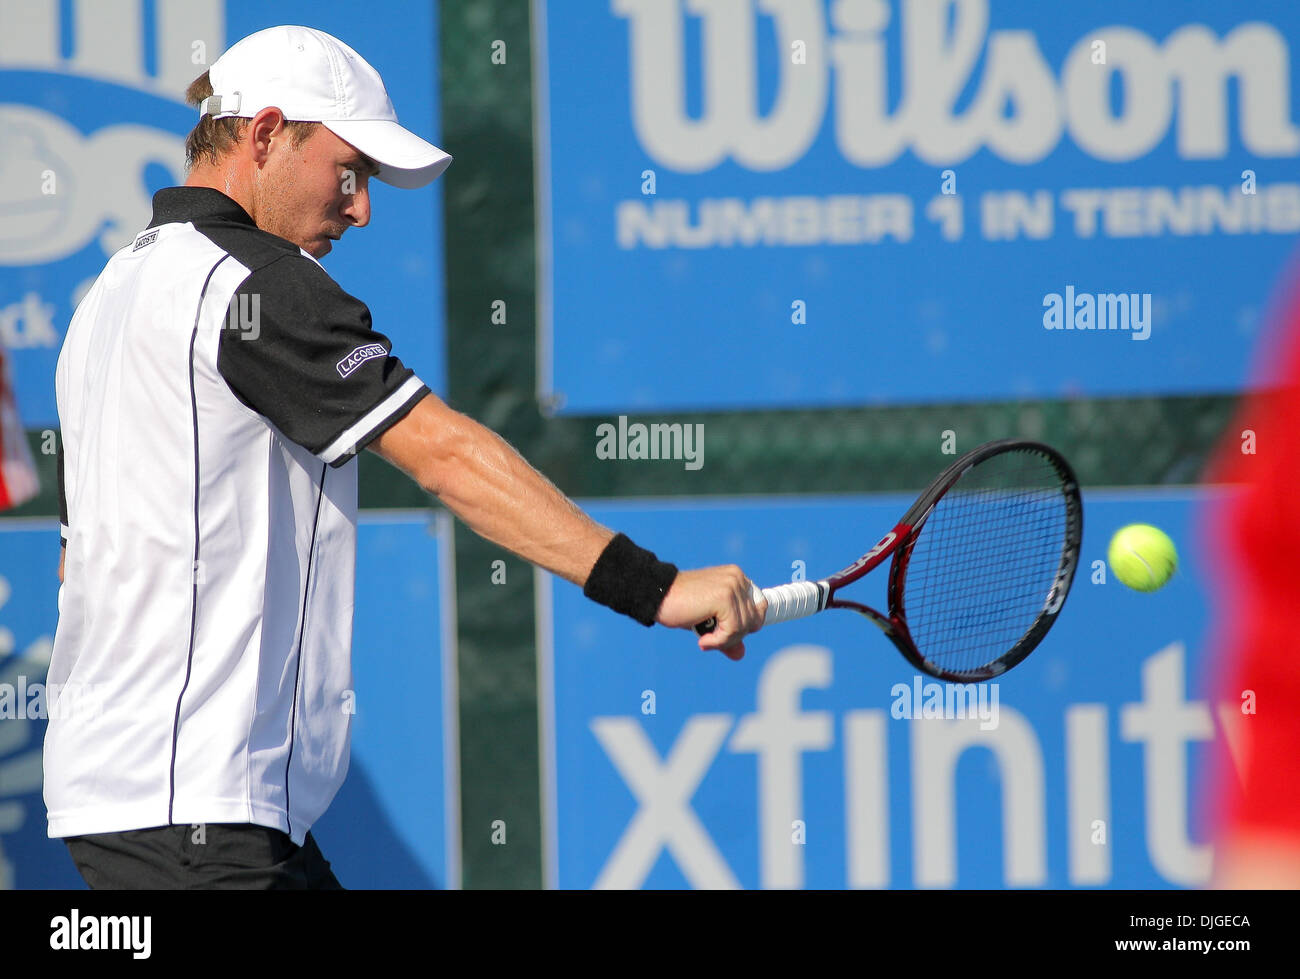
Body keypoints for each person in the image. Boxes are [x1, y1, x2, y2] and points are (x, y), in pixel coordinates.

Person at [47, 25, 765, 890]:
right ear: (267, 134)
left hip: (130, 808)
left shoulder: (107, 299)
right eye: (349, 172)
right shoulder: (259, 286)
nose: (362, 209)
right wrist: (653, 588)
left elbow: (74, 561)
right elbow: (448, 457)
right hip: (200, 812)